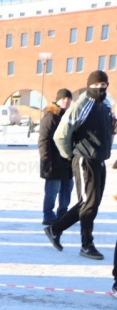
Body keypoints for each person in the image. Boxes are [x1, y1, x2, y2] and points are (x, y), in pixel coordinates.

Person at [44, 70, 114, 260]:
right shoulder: (83, 104)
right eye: (96, 85)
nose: (100, 88)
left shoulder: (105, 105)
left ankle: (55, 229)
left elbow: (110, 129)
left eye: (103, 85)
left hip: (99, 160)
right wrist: (69, 155)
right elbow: (61, 134)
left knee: (92, 203)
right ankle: (86, 244)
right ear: (89, 85)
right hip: (84, 159)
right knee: (88, 203)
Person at [38, 89, 74, 226]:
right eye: (63, 99)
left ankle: (63, 214)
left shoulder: (69, 116)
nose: (66, 101)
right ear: (57, 100)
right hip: (54, 161)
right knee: (53, 190)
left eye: (69, 99)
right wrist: (46, 159)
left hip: (68, 161)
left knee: (67, 188)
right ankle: (48, 215)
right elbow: (44, 140)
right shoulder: (51, 116)